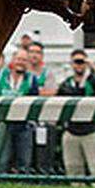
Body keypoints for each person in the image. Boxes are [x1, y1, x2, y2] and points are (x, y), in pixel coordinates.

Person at [56, 49, 95, 178]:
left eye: (82, 62)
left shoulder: (93, 81)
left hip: (92, 132)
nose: (79, 65)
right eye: (76, 62)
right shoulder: (66, 84)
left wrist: (93, 67)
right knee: (73, 171)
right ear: (71, 64)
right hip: (71, 132)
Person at [0, 48, 40, 173]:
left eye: (24, 60)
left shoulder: (32, 80)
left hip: (24, 124)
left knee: (24, 160)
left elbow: (35, 102)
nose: (21, 62)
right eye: (19, 59)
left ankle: (23, 187)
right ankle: (0, 183)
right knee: (2, 159)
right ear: (13, 60)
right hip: (2, 124)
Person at [27, 41, 58, 172]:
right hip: (26, 118)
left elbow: (51, 92)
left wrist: (32, 92)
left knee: (44, 152)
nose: (34, 55)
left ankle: (44, 175)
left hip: (44, 119)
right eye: (32, 52)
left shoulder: (48, 73)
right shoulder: (24, 73)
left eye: (37, 52)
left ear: (42, 56)